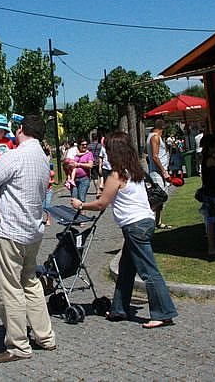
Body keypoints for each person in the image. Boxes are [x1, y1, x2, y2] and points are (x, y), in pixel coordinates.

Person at [71, 131, 178, 328]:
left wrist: (80, 205)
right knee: (126, 268)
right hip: (145, 221)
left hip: (134, 226)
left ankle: (163, 312)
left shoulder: (116, 175)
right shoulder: (134, 170)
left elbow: (102, 203)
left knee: (148, 271)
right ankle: (118, 308)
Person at [0, 114, 56, 363]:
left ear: (21, 129)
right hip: (32, 230)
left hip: (8, 230)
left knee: (7, 287)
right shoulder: (43, 159)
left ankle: (18, 345)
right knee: (29, 282)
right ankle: (45, 336)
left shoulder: (14, 155)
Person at [146, 119, 170, 229]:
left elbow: (147, 153)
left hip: (157, 171)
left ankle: (158, 221)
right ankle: (149, 220)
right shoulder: (155, 137)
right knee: (158, 197)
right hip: (157, 173)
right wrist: (164, 171)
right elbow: (155, 156)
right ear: (162, 128)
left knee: (160, 199)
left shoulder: (151, 136)